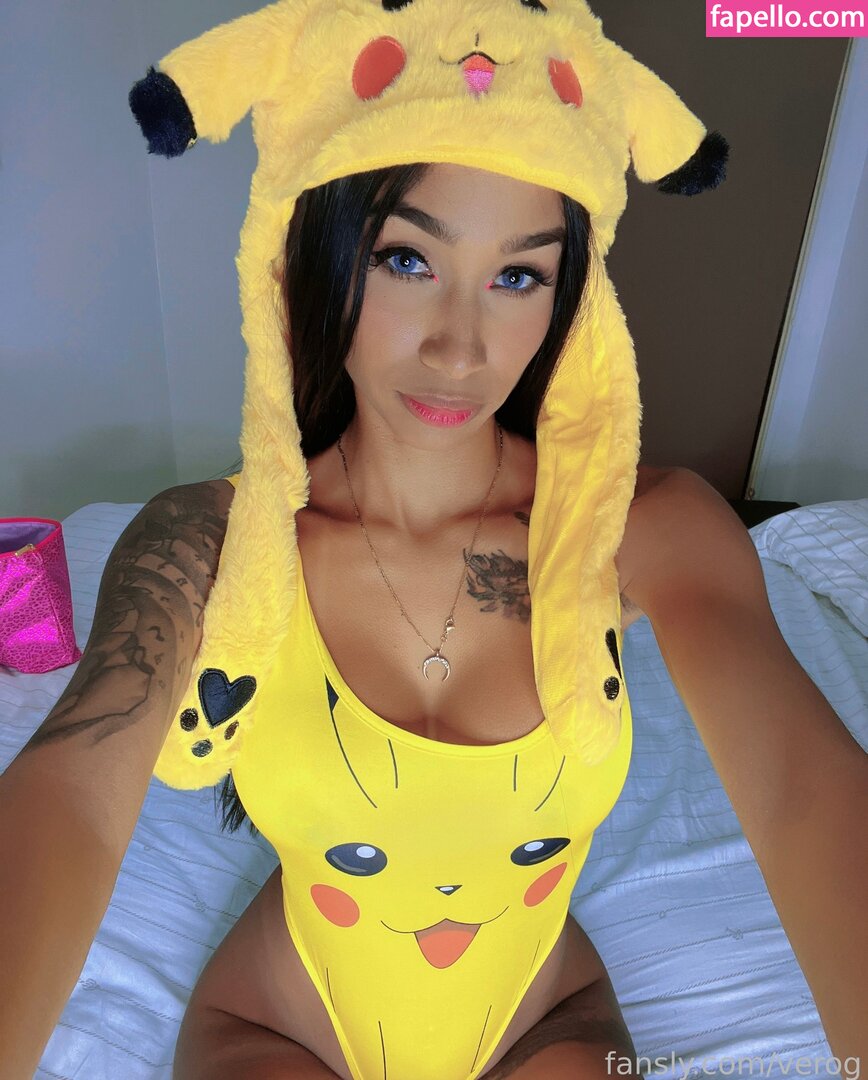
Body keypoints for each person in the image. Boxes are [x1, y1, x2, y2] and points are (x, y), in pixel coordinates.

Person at [2, 2, 864, 1077]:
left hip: (546, 1018)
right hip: (281, 1023)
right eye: (407, 260)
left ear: (571, 300)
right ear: (313, 255)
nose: (460, 349)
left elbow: (800, 789)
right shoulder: (216, 541)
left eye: (518, 276)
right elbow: (75, 788)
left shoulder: (640, 528)